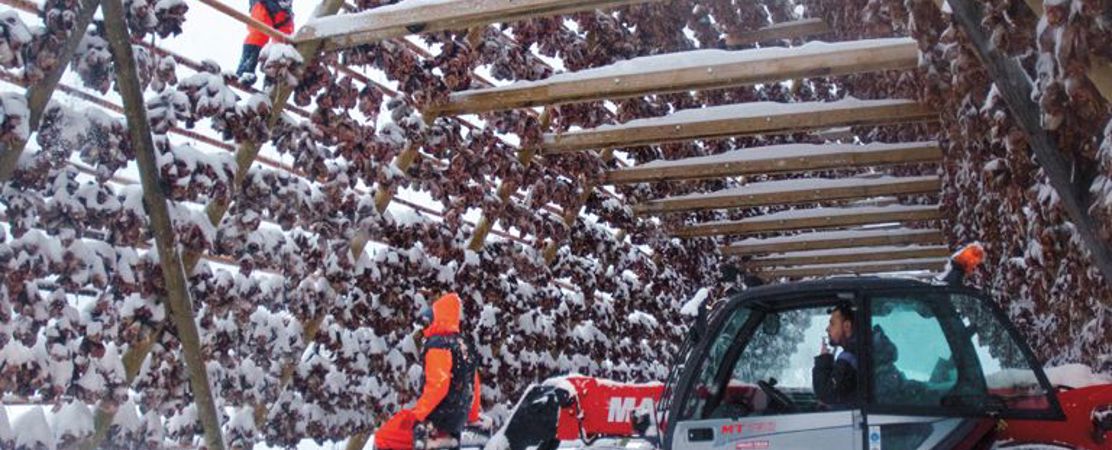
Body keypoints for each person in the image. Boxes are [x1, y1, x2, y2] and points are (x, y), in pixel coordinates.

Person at [375, 293, 482, 450]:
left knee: (384, 436)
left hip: (436, 421)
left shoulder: (438, 345)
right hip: (456, 422)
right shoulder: (464, 346)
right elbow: (474, 387)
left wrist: (418, 415)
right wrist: (471, 417)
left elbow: (439, 385)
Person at [235, 0, 294, 86]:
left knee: (285, 43)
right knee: (259, 33)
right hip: (264, 3)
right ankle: (245, 70)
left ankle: (272, 80)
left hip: (284, 9)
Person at [812, 302, 859, 406]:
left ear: (847, 326)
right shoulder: (858, 351)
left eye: (832, 324)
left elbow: (827, 396)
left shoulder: (849, 359)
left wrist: (824, 360)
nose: (827, 328)